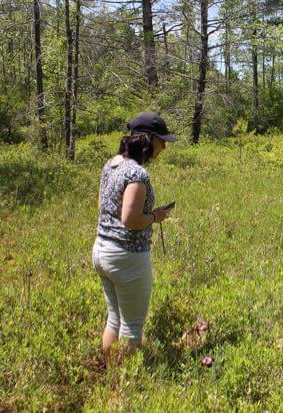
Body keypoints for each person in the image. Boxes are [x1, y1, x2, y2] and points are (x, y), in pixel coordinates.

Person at [92, 112, 178, 355]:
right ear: (148, 140)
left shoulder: (111, 165)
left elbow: (103, 207)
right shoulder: (137, 174)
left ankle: (109, 370)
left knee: (114, 319)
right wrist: (154, 217)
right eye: (161, 141)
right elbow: (130, 220)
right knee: (132, 326)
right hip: (127, 257)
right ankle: (127, 382)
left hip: (102, 251)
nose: (163, 148)